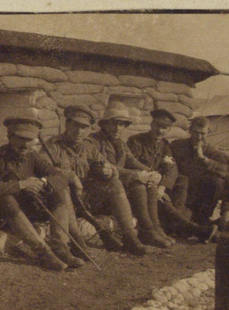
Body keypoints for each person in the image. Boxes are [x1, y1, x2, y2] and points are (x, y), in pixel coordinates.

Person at [0, 116, 85, 271]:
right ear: (10, 137)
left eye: (30, 140)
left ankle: (60, 248)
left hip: (17, 214)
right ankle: (43, 254)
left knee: (58, 193)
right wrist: (22, 185)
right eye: (20, 139)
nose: (25, 145)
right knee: (6, 198)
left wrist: (43, 182)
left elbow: (58, 176)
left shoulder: (32, 156)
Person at [42, 105, 153, 256]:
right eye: (76, 125)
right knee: (63, 188)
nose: (79, 131)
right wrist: (69, 175)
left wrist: (107, 171)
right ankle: (76, 241)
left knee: (114, 184)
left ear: (89, 129)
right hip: (60, 200)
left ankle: (130, 237)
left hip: (83, 197)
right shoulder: (52, 146)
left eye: (84, 127)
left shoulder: (88, 146)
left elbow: (108, 166)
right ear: (67, 124)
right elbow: (42, 170)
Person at [90, 102, 173, 248]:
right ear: (105, 124)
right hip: (99, 191)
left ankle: (154, 227)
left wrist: (152, 173)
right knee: (138, 183)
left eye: (122, 124)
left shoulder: (120, 143)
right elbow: (106, 166)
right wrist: (137, 175)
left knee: (149, 181)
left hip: (116, 191)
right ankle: (147, 229)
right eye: (114, 123)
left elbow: (132, 161)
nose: (118, 128)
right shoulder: (94, 141)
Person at [126, 109, 217, 243]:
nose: (160, 130)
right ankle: (197, 230)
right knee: (161, 199)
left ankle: (177, 224)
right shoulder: (136, 141)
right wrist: (153, 177)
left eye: (164, 128)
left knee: (182, 180)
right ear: (151, 124)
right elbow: (130, 164)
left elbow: (171, 168)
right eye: (157, 125)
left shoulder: (164, 145)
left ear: (169, 130)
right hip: (138, 186)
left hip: (155, 186)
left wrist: (162, 187)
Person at [169, 116, 229, 225]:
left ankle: (202, 219)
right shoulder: (177, 145)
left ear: (208, 133)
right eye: (196, 132)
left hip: (199, 196)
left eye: (203, 133)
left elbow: (225, 171)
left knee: (217, 182)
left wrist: (203, 159)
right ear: (190, 130)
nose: (199, 137)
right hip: (178, 189)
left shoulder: (211, 150)